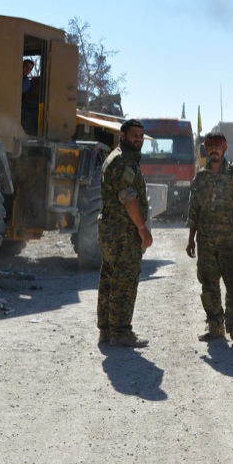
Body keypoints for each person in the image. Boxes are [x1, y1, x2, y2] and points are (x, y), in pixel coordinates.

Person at [186, 131, 233, 349]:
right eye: (210, 146)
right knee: (208, 286)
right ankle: (215, 327)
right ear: (206, 149)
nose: (213, 149)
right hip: (206, 243)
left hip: (231, 242)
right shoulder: (200, 177)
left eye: (217, 146)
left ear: (225, 148)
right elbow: (194, 210)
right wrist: (191, 239)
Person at [96, 118, 153, 347]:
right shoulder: (123, 160)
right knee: (124, 281)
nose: (138, 139)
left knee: (110, 278)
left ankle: (106, 330)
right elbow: (127, 196)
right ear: (122, 136)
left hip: (112, 230)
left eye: (140, 136)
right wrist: (142, 227)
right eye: (133, 135)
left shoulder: (118, 157)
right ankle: (120, 331)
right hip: (123, 233)